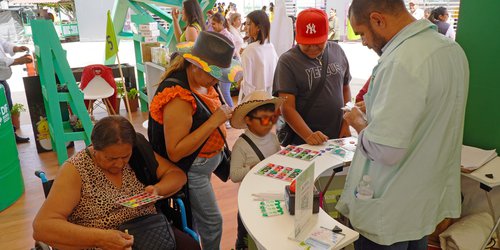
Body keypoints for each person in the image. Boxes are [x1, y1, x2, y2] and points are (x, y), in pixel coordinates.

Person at [336, 0, 469, 248]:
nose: (364, 42)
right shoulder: (451, 51)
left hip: (390, 204)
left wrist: (358, 122)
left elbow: (386, 149)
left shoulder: (402, 60)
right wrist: (377, 108)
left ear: (378, 19)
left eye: (363, 33)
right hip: (421, 199)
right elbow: (425, 114)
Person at [32, 116, 200, 250]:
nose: (119, 164)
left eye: (125, 157)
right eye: (111, 158)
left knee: (190, 246)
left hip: (148, 228)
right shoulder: (75, 170)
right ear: (94, 149)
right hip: (101, 240)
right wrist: (100, 238)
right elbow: (42, 227)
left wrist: (157, 189)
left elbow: (177, 175)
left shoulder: (137, 153)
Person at [148, 31, 242, 249]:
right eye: (213, 73)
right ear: (195, 65)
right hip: (193, 169)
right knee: (213, 222)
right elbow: (176, 152)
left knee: (201, 217)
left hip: (204, 165)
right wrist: (213, 122)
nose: (216, 79)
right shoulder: (179, 97)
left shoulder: (200, 82)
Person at [273, 8, 352, 146]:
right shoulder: (287, 62)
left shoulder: (337, 51)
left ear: (327, 35)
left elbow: (345, 88)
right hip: (302, 139)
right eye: (306, 42)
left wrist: (346, 123)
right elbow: (287, 107)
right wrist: (308, 135)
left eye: (318, 42)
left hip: (337, 135)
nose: (312, 47)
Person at [229, 91, 283, 249]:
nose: (268, 123)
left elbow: (277, 159)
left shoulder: (273, 139)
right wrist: (253, 168)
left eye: (271, 119)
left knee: (267, 229)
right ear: (248, 120)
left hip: (271, 194)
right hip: (249, 199)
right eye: (263, 119)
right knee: (246, 234)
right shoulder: (241, 145)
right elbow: (234, 175)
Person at [238, 10, 278, 103]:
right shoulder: (270, 46)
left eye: (248, 24)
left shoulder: (250, 50)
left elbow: (248, 84)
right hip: (269, 98)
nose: (245, 27)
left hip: (254, 102)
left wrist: (241, 82)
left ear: (258, 27)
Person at [0, 38, 32, 143]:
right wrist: (18, 61)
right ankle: (6, 140)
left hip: (2, 79)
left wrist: (16, 48)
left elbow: (3, 43)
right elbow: (1, 60)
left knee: (7, 107)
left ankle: (11, 136)